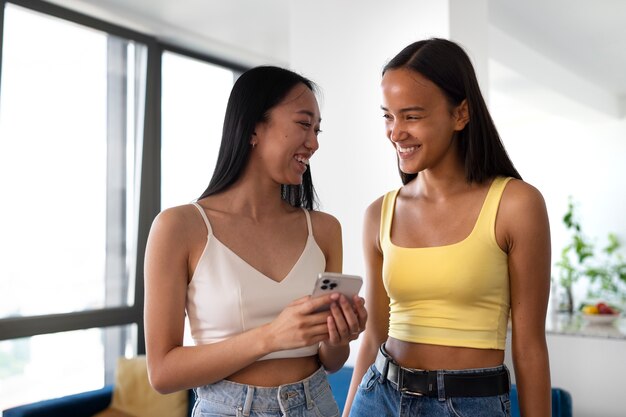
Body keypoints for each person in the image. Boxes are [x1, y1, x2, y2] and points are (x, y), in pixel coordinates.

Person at [343, 38, 551, 417]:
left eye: (412, 116)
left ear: (461, 114)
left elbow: (530, 346)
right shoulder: (379, 213)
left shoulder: (516, 205)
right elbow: (374, 335)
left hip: (470, 404)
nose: (395, 132)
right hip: (379, 397)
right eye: (388, 116)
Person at [144, 65, 367, 417]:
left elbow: (330, 360)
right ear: (253, 129)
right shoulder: (179, 227)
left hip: (316, 404)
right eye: (303, 124)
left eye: (317, 129)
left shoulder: (324, 229)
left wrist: (339, 336)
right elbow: (162, 372)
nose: (314, 142)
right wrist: (272, 336)